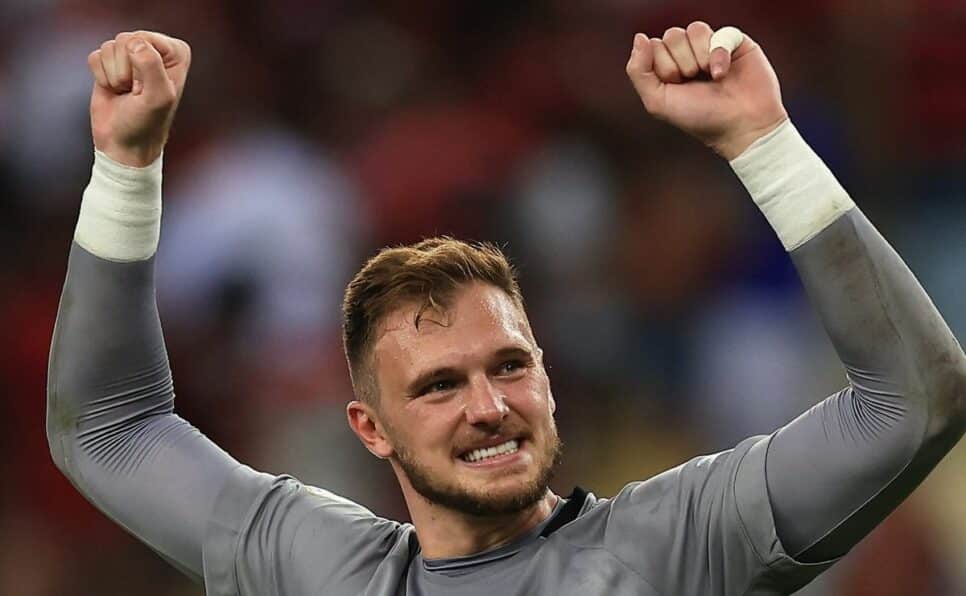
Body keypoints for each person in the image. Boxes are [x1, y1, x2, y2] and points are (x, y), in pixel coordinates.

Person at [47, 24, 964, 596]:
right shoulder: (316, 566)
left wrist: (763, 143)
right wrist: (126, 168)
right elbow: (107, 429)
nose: (489, 406)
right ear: (371, 428)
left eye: (509, 366)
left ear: (546, 378)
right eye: (439, 385)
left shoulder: (677, 546)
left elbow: (914, 401)